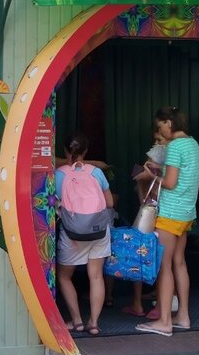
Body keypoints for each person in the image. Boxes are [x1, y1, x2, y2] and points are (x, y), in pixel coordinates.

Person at [136, 107, 199, 336]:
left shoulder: (174, 147)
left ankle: (164, 321)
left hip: (170, 213)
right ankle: (183, 316)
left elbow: (171, 183)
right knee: (179, 263)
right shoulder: (193, 144)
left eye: (160, 125)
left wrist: (152, 174)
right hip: (186, 213)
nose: (160, 130)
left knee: (164, 266)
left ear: (169, 123)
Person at [56, 133, 114, 337]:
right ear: (86, 151)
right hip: (98, 231)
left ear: (65, 150)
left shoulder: (59, 174)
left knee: (64, 276)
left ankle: (77, 321)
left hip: (72, 233)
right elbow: (110, 203)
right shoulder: (96, 172)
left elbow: (54, 201)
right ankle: (94, 323)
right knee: (96, 276)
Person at [125, 129, 169, 317]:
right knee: (156, 257)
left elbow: (143, 199)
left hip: (151, 215)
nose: (156, 144)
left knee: (145, 254)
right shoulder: (166, 169)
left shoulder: (158, 168)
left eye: (159, 140)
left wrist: (145, 178)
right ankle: (155, 303)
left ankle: (143, 304)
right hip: (159, 215)